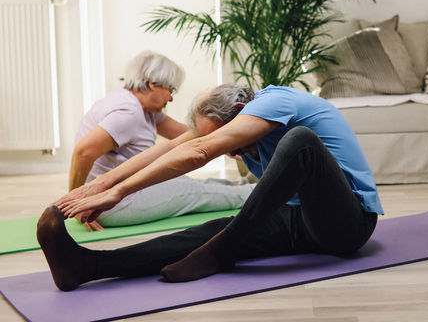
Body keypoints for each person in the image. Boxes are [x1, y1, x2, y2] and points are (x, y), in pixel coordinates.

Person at [37, 83, 383, 292]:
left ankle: (222, 251)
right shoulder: (238, 117)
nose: (227, 150)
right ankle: (87, 267)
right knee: (203, 232)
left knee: (301, 142)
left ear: (240, 110)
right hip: (299, 222)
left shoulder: (275, 102)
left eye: (223, 137)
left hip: (348, 225)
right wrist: (104, 183)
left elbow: (200, 151)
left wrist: (120, 194)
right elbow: (169, 148)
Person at [69, 51, 255, 232]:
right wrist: (77, 203)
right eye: (171, 89)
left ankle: (245, 183)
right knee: (191, 190)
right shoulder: (128, 112)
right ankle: (259, 192)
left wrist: (236, 145)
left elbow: (193, 135)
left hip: (123, 192)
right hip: (112, 205)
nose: (171, 98)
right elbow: (83, 152)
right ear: (153, 84)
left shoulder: (141, 108)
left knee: (185, 180)